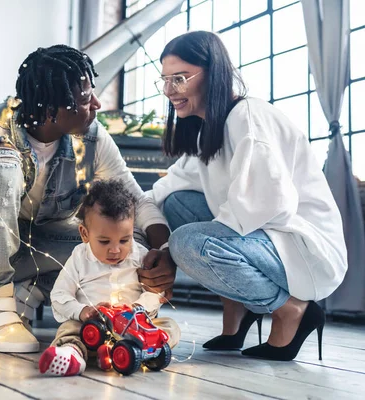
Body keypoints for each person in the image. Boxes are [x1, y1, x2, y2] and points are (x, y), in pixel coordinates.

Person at [0, 45, 175, 354]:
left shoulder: (92, 138)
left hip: (35, 248)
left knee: (123, 234)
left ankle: (33, 293)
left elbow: (138, 202)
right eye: (83, 99)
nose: (96, 103)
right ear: (52, 109)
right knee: (2, 162)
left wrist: (161, 252)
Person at [149, 31, 347, 361]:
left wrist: (171, 251)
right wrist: (122, 221)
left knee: (188, 243)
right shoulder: (208, 130)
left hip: (303, 249)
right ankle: (236, 313)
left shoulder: (247, 117)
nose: (169, 91)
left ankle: (293, 310)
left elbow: (270, 206)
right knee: (178, 203)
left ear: (213, 74)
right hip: (268, 242)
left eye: (180, 78)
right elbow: (165, 191)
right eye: (165, 80)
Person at [38, 180, 180, 376]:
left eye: (124, 240)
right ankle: (72, 355)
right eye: (104, 241)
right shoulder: (79, 258)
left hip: (133, 326)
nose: (115, 250)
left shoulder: (140, 255)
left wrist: (138, 308)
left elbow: (156, 292)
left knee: (169, 326)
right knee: (69, 328)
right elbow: (59, 295)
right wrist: (83, 311)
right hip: (92, 326)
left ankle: (133, 353)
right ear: (85, 234)